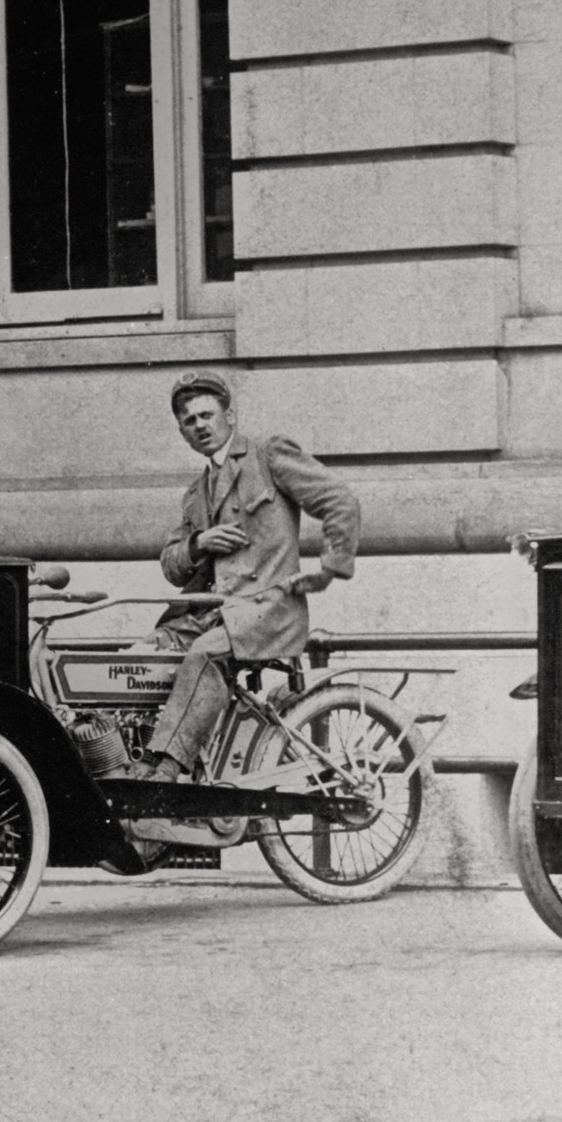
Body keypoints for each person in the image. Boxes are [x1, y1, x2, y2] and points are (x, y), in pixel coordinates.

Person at [111, 372, 360, 870]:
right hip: (211, 611)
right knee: (143, 654)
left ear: (230, 416)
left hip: (266, 610)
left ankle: (163, 774)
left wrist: (330, 569)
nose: (199, 426)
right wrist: (199, 544)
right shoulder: (196, 493)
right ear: (182, 433)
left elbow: (339, 500)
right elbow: (170, 564)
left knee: (204, 656)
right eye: (188, 421)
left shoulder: (268, 456)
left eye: (206, 415)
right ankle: (140, 776)